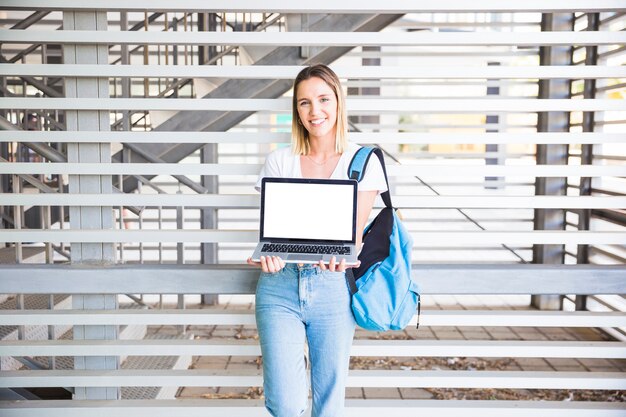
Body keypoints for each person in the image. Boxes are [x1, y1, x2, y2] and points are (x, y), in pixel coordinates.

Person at [246, 64, 387, 417]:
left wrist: (340, 255)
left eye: (323, 99)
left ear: (338, 101)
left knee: (328, 405)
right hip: (279, 287)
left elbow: (350, 238)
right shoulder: (280, 161)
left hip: (332, 287)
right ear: (297, 110)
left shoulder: (362, 161)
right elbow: (274, 233)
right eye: (304, 103)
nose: (315, 111)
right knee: (285, 405)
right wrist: (270, 255)